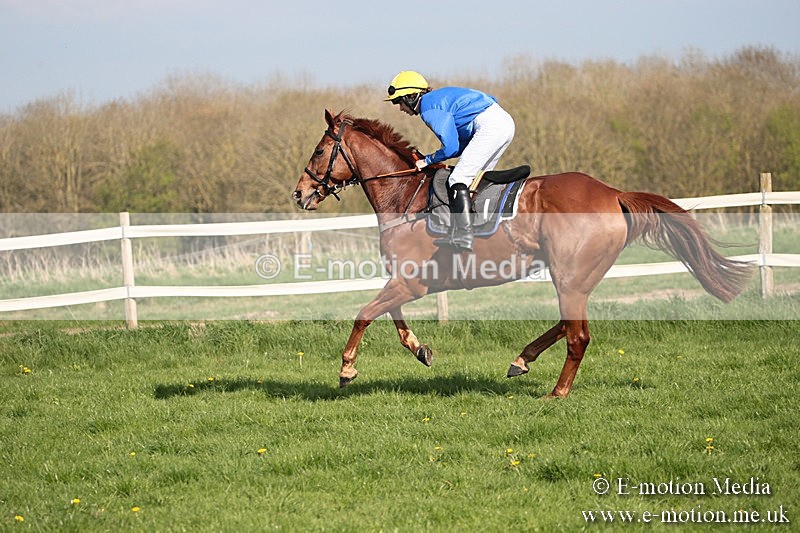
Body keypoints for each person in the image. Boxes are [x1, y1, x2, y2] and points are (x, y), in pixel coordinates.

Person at [385, 70, 516, 252]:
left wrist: (428, 160)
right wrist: (433, 159)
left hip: (491, 126)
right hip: (503, 123)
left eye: (399, 101)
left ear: (411, 96)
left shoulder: (428, 108)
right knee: (475, 179)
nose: (400, 108)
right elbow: (461, 145)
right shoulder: (438, 99)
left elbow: (451, 148)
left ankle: (464, 234)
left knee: (457, 179)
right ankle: (479, 227)